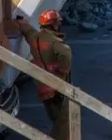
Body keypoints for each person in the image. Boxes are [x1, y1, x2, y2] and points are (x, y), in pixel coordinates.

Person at [15, 9, 71, 140]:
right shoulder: (56, 43)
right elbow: (65, 54)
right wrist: (63, 70)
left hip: (43, 87)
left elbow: (27, 31)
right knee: (64, 121)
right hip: (57, 87)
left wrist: (20, 22)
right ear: (54, 24)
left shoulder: (36, 38)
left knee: (55, 117)